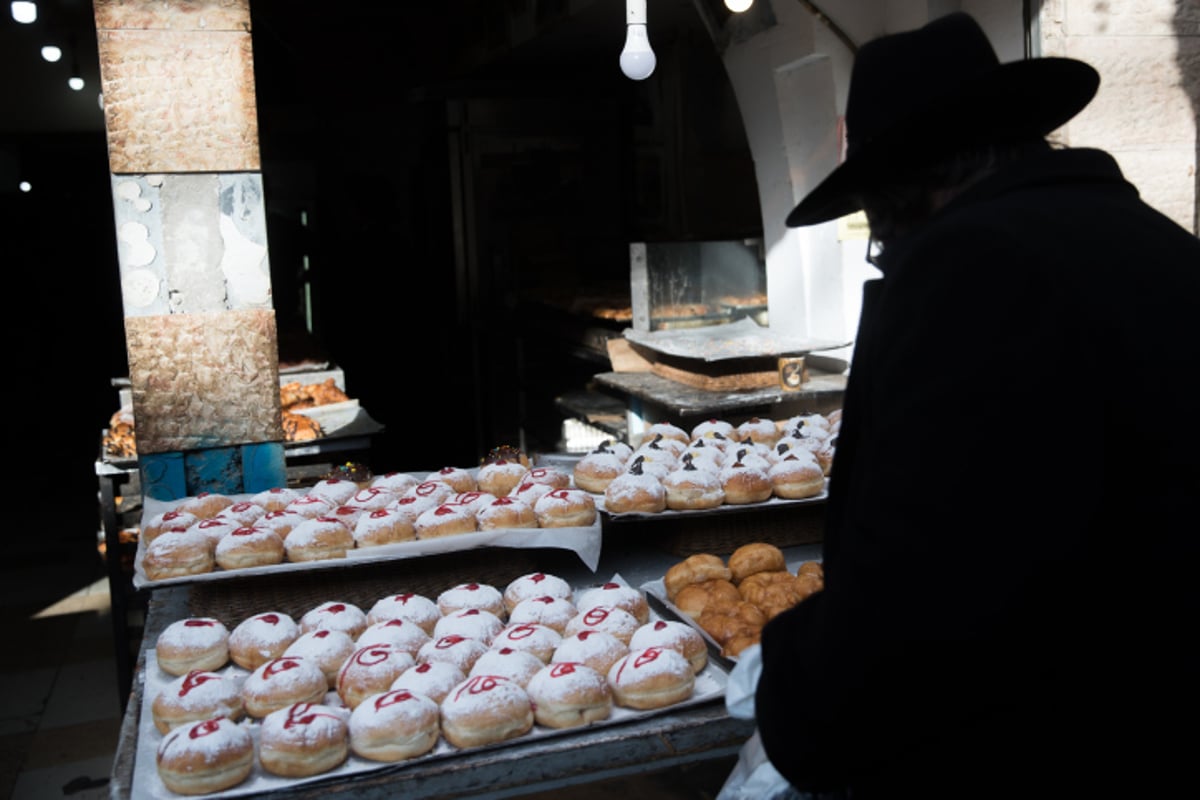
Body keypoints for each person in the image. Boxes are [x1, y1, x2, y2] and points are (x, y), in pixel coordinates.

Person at [753, 12, 1200, 799]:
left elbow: (927, 592)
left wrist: (793, 680)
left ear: (906, 192)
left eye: (880, 232)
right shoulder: (1156, 242)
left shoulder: (976, 268)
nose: (885, 250)